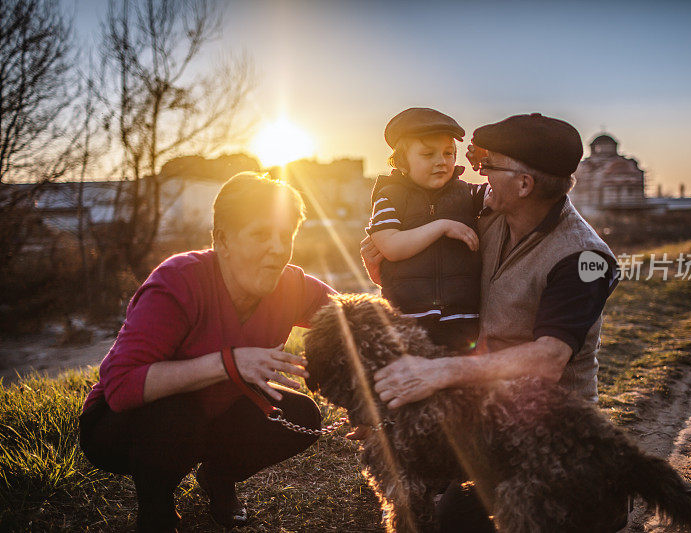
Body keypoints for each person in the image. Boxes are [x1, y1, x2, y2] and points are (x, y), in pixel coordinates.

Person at [361, 113, 622, 532]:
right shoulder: (489, 213)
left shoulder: (584, 259)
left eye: (491, 165)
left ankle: (593, 497)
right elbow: (414, 249)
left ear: (524, 184)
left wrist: (439, 371)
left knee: (458, 519)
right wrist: (384, 266)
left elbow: (549, 358)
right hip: (483, 411)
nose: (477, 171)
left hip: (549, 425)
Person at [79, 172, 335, 532]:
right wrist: (228, 363)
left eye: (285, 235)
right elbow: (120, 386)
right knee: (178, 414)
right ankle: (156, 507)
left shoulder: (289, 285)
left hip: (218, 411)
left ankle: (218, 477)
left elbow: (352, 317)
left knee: (303, 417)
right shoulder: (179, 282)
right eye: (261, 234)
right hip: (124, 425)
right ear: (223, 240)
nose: (278, 248)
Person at [365, 107, 486, 351]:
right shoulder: (389, 198)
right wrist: (441, 227)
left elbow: (507, 195)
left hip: (464, 325)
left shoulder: (469, 194)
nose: (441, 161)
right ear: (402, 162)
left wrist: (487, 163)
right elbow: (391, 246)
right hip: (406, 326)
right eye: (428, 154)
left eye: (449, 153)